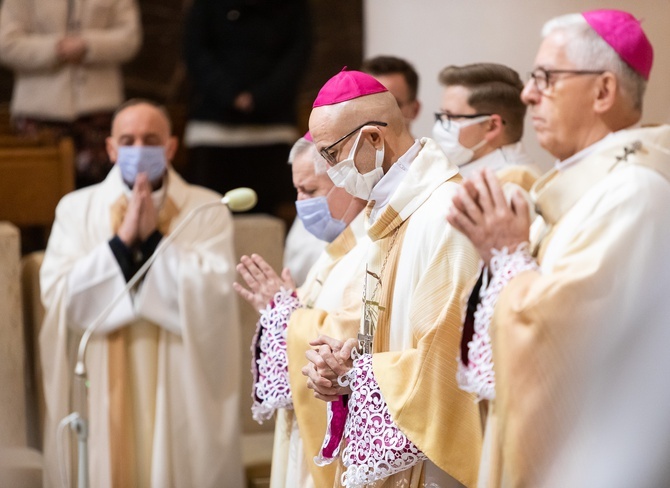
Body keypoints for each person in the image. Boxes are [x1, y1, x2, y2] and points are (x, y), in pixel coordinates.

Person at [447, 10, 670, 487]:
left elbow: (558, 341)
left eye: (546, 78)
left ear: (603, 91)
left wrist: (506, 255)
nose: (529, 94)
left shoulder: (632, 195)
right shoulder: (583, 192)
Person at [39, 99, 244, 488]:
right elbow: (62, 296)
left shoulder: (206, 207)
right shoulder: (75, 209)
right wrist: (121, 241)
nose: (138, 149)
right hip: (99, 373)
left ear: (170, 147)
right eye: (127, 140)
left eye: (150, 140)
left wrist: (151, 240)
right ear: (111, 148)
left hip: (179, 373)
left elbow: (212, 295)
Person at [303, 69, 483, 487]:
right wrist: (341, 366)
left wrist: (361, 373)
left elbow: (452, 357)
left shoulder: (447, 213)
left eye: (331, 155)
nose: (330, 171)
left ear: (372, 139)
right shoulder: (385, 213)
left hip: (432, 467)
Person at [234, 134, 368, 487]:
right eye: (296, 191)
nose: (300, 203)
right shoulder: (334, 251)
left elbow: (345, 339)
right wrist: (281, 307)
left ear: (347, 183)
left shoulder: (369, 254)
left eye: (309, 191)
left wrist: (287, 314)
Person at [182, 0, 311, 218]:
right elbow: (195, 49)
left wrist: (259, 96)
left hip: (272, 128)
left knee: (267, 218)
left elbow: (298, 52)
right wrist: (229, 94)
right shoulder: (205, 6)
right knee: (210, 215)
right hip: (213, 129)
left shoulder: (293, 6)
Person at [0, 0, 142, 188]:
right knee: (37, 193)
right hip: (39, 113)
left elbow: (129, 38)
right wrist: (56, 48)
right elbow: (7, 43)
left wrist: (87, 45)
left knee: (103, 198)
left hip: (99, 114)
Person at [432, 63, 538, 186]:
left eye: (451, 117)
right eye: (442, 115)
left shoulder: (511, 184)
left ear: (492, 126)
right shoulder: (469, 167)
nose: (440, 126)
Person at [361, 55, 421, 135]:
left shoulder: (431, 148)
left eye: (391, 105)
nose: (377, 114)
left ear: (415, 110)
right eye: (368, 104)